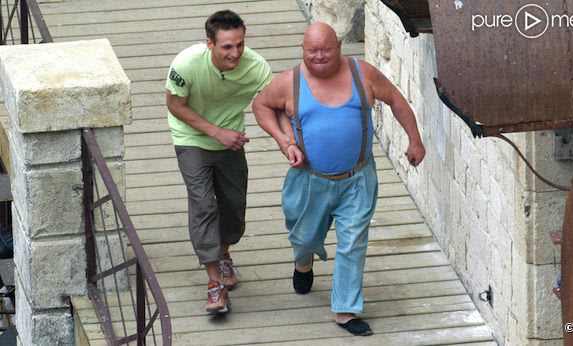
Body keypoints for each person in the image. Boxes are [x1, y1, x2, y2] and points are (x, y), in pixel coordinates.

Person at [252, 22, 425, 336]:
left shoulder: (363, 74)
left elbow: (397, 100)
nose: (319, 56)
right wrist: (283, 139)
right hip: (309, 179)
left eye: (326, 50)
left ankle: (345, 310)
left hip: (356, 178)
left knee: (353, 243)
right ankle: (303, 263)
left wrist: (415, 140)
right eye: (312, 51)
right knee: (304, 237)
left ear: (339, 47)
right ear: (303, 51)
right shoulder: (289, 82)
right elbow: (261, 104)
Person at [165, 10, 272, 315]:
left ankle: (224, 254)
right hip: (192, 138)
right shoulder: (186, 64)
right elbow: (174, 105)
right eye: (227, 46)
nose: (235, 53)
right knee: (203, 205)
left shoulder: (256, 66)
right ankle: (214, 283)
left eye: (239, 44)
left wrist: (287, 139)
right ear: (209, 43)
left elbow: (271, 104)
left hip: (230, 140)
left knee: (233, 206)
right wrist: (216, 132)